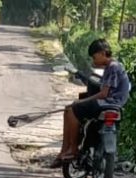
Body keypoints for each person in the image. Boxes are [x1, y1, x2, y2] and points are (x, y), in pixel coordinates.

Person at [53, 39, 131, 167]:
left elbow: (103, 94)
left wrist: (82, 101)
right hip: (115, 104)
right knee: (69, 109)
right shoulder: (115, 66)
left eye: (94, 57)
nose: (93, 61)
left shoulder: (112, 67)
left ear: (102, 53)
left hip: (108, 103)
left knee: (71, 109)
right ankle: (64, 150)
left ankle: (73, 149)